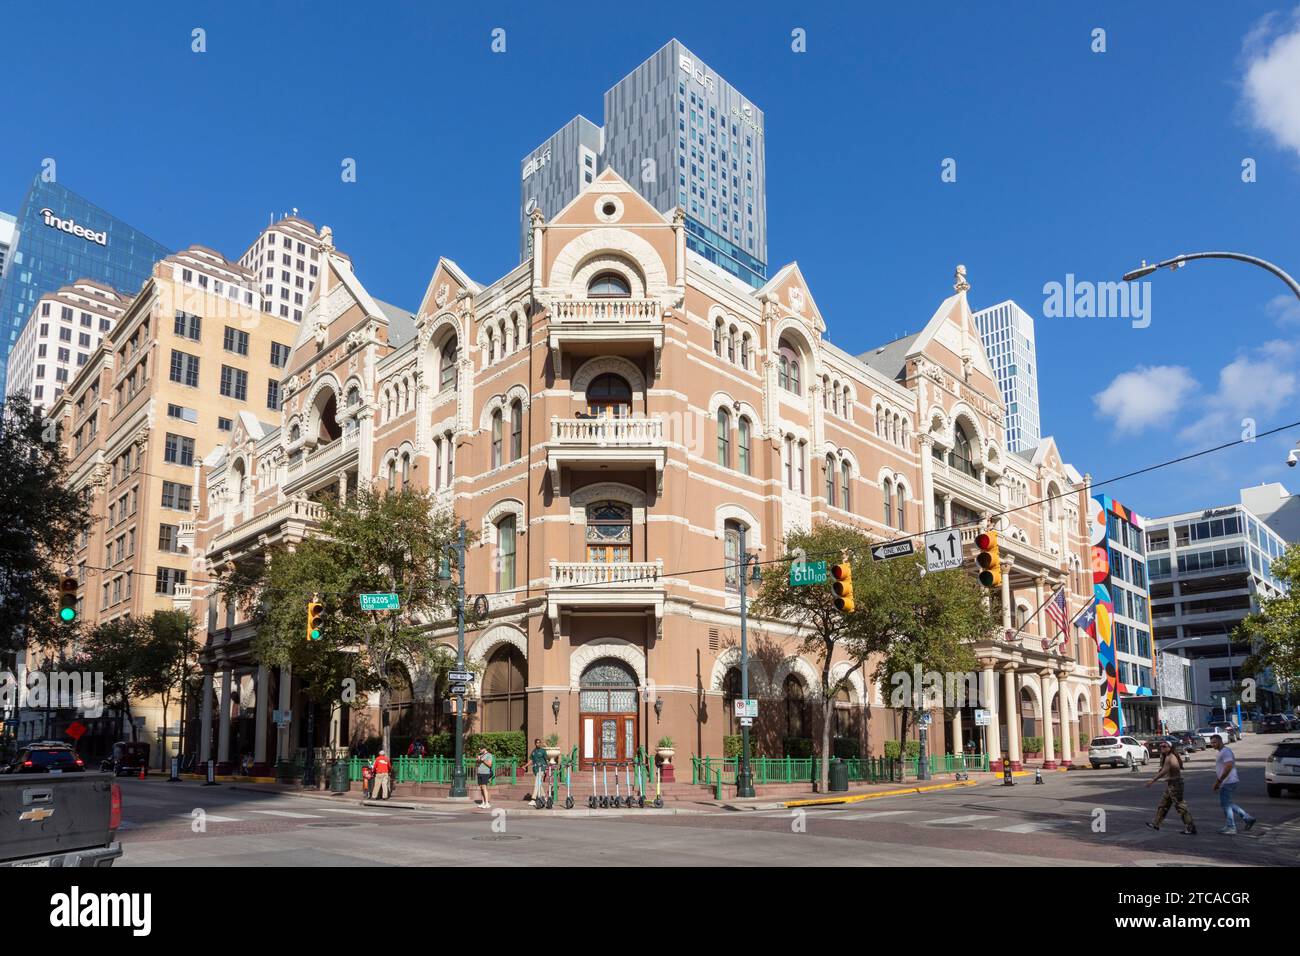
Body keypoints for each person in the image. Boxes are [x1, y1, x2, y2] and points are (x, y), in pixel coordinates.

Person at [1144, 739, 1196, 834]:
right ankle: (1156, 824)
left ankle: (1190, 827)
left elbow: (1164, 771)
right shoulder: (1168, 756)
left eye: (1164, 746)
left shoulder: (1170, 757)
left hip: (1175, 785)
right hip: (1171, 785)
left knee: (1180, 806)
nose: (1162, 748)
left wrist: (1152, 780)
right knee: (1163, 805)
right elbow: (1165, 770)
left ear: (1170, 748)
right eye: (1161, 746)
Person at [1210, 734, 1255, 834]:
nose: (1213, 744)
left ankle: (1231, 827)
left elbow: (1229, 766)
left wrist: (1219, 781)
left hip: (1228, 782)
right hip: (1227, 782)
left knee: (1226, 805)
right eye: (1212, 743)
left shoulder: (1226, 752)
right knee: (1228, 804)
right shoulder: (1221, 752)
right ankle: (1248, 818)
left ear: (1220, 741)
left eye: (1215, 742)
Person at [527, 738, 549, 802]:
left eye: (539, 742)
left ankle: (533, 799)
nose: (538, 744)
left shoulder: (543, 751)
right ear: (535, 743)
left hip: (542, 769)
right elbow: (531, 760)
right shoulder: (533, 751)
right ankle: (544, 797)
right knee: (539, 784)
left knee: (537, 783)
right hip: (536, 770)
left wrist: (547, 768)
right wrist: (525, 766)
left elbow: (547, 760)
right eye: (537, 743)